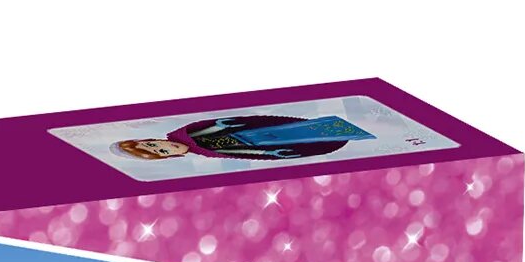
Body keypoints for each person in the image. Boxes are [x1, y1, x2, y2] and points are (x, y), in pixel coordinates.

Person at [115, 112, 375, 163]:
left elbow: (207, 129)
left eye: (155, 144)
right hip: (259, 143)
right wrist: (268, 153)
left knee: (295, 131)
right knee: (297, 140)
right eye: (162, 152)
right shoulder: (201, 152)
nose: (166, 147)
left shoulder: (187, 134)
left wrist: (219, 125)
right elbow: (239, 154)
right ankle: (342, 133)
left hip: (248, 133)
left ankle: (337, 128)